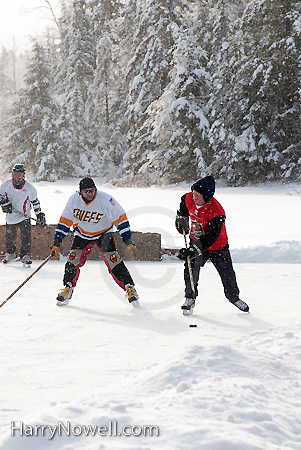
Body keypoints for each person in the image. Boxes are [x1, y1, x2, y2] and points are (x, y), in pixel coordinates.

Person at [51, 177, 140, 307]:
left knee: (114, 261)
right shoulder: (73, 200)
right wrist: (56, 242)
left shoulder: (106, 200)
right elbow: (64, 222)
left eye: (92, 190)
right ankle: (68, 288)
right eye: (86, 191)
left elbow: (121, 220)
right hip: (82, 234)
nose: (89, 194)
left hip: (104, 234)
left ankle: (129, 288)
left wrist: (128, 241)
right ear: (80, 192)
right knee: (72, 260)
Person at [175, 175, 249, 315]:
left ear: (207, 196)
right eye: (193, 193)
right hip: (196, 240)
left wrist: (193, 249)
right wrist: (181, 220)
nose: (194, 197)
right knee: (190, 268)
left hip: (217, 245)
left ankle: (233, 297)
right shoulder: (189, 198)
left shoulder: (217, 211)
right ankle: (190, 298)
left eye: (198, 195)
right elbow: (183, 205)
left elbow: (211, 237)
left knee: (227, 273)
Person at [0, 164, 46, 267]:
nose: (17, 177)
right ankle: (11, 253)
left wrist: (39, 215)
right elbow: (0, 196)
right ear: (12, 175)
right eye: (16, 174)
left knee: (26, 236)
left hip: (24, 216)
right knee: (9, 237)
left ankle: (24, 255)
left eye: (20, 175)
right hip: (11, 216)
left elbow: (35, 202)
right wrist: (4, 203)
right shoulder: (6, 185)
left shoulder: (29, 188)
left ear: (23, 176)